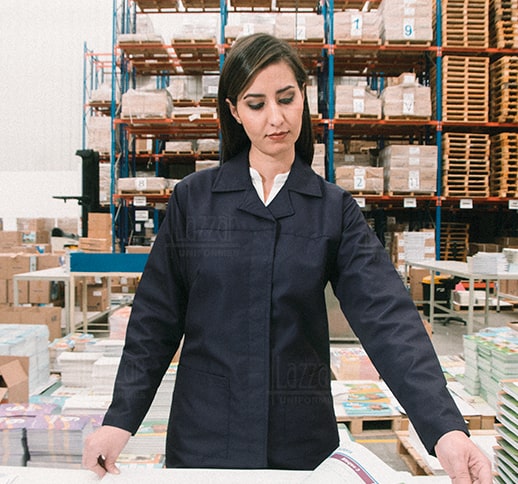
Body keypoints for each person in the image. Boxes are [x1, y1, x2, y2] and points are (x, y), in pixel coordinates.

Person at [83, 33, 492, 482]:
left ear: (304, 97)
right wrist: (119, 419)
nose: (275, 118)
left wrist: (446, 429)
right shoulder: (193, 202)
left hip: (300, 442)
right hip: (205, 438)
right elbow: (154, 322)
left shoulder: (331, 209)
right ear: (235, 111)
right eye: (256, 104)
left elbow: (387, 317)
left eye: (286, 98)